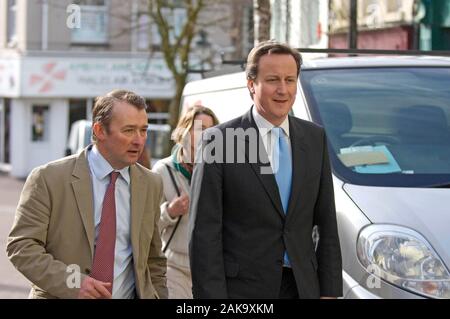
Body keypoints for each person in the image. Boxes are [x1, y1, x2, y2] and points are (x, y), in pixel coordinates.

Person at [189, 41, 342, 299]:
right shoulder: (221, 141)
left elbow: (326, 223)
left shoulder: (314, 138)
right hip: (242, 292)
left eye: (289, 80)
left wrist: (329, 291)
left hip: (302, 288)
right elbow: (204, 234)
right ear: (251, 85)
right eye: (272, 80)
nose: (283, 89)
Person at [6, 89, 168, 299]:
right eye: (129, 130)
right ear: (100, 130)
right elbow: (22, 247)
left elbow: (153, 260)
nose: (139, 140)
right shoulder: (48, 178)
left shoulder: (151, 183)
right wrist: (73, 283)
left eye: (143, 130)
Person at [152, 105, 219, 299]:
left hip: (209, 268)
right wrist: (170, 211)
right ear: (185, 131)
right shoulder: (162, 170)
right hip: (174, 268)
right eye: (200, 128)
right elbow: (147, 228)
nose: (206, 135)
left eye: (211, 130)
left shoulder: (218, 169)